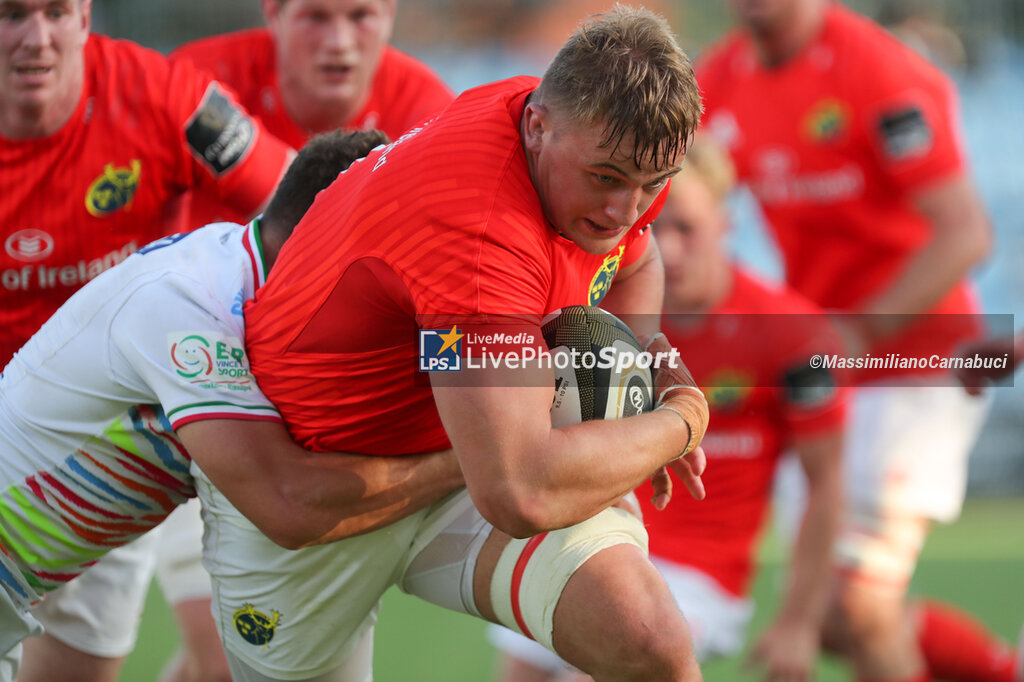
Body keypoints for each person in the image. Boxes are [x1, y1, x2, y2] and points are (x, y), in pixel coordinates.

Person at [229, 6, 710, 681]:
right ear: (538, 127)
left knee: (649, 641)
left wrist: (646, 373)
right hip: (325, 485)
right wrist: (681, 420)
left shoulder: (605, 142)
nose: (625, 210)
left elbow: (637, 257)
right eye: (606, 179)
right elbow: (520, 492)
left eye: (652, 184)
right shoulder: (477, 233)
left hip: (464, 444)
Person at [0, 128, 465, 682]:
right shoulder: (192, 303)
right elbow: (287, 505)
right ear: (342, 227)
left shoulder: (259, 288)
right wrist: (475, 461)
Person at [698, 1, 1016, 681]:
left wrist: (855, 333)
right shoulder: (718, 81)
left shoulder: (878, 70)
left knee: (851, 602)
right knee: (842, 621)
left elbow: (966, 233)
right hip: (828, 375)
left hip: (920, 365)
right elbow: (685, 218)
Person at [0, 1, 294, 680]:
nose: (37, 39)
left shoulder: (170, 98)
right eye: (13, 15)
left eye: (56, 12)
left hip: (114, 444)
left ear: (85, 15)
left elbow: (304, 216)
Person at [487, 138, 846, 682]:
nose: (671, 251)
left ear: (727, 223)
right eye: (656, 229)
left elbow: (826, 481)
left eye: (688, 228)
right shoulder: (608, 315)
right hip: (601, 535)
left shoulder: (791, 331)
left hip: (704, 577)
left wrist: (798, 620)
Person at [171, 0, 454, 228]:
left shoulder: (431, 117)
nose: (339, 43)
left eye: (360, 15)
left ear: (389, 14)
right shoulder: (193, 85)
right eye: (315, 16)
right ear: (272, 12)